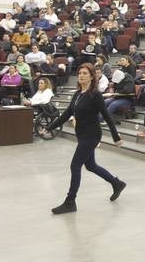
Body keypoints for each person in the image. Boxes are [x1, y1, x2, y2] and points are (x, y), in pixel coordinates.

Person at [45, 63, 125, 214]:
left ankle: (70, 202)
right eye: (80, 73)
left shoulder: (95, 95)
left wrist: (115, 136)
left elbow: (107, 116)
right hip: (81, 134)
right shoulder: (77, 94)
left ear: (92, 77)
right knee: (91, 165)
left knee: (75, 165)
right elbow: (67, 114)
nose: (81, 75)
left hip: (92, 135)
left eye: (85, 73)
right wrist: (50, 127)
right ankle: (116, 183)